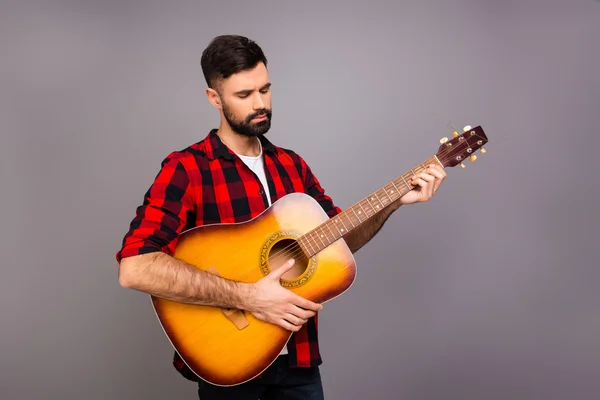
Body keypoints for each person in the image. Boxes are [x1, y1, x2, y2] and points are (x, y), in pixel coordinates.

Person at [116, 34, 447, 400]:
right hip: (229, 359)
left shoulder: (291, 166)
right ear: (215, 98)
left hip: (297, 363)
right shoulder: (188, 169)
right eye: (244, 95)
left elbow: (338, 241)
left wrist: (395, 200)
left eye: (265, 89)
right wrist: (249, 296)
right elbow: (136, 267)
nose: (260, 104)